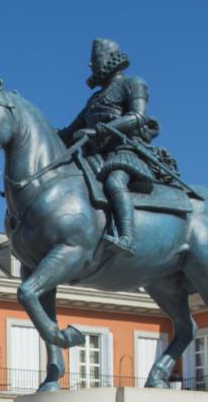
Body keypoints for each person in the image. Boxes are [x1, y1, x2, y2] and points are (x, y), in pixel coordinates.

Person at [56, 37, 178, 258]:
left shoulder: (133, 83)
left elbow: (139, 116)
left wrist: (100, 131)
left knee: (114, 181)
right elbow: (69, 131)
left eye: (95, 59)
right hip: (95, 156)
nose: (91, 65)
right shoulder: (94, 100)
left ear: (111, 58)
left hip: (127, 151)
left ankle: (127, 237)